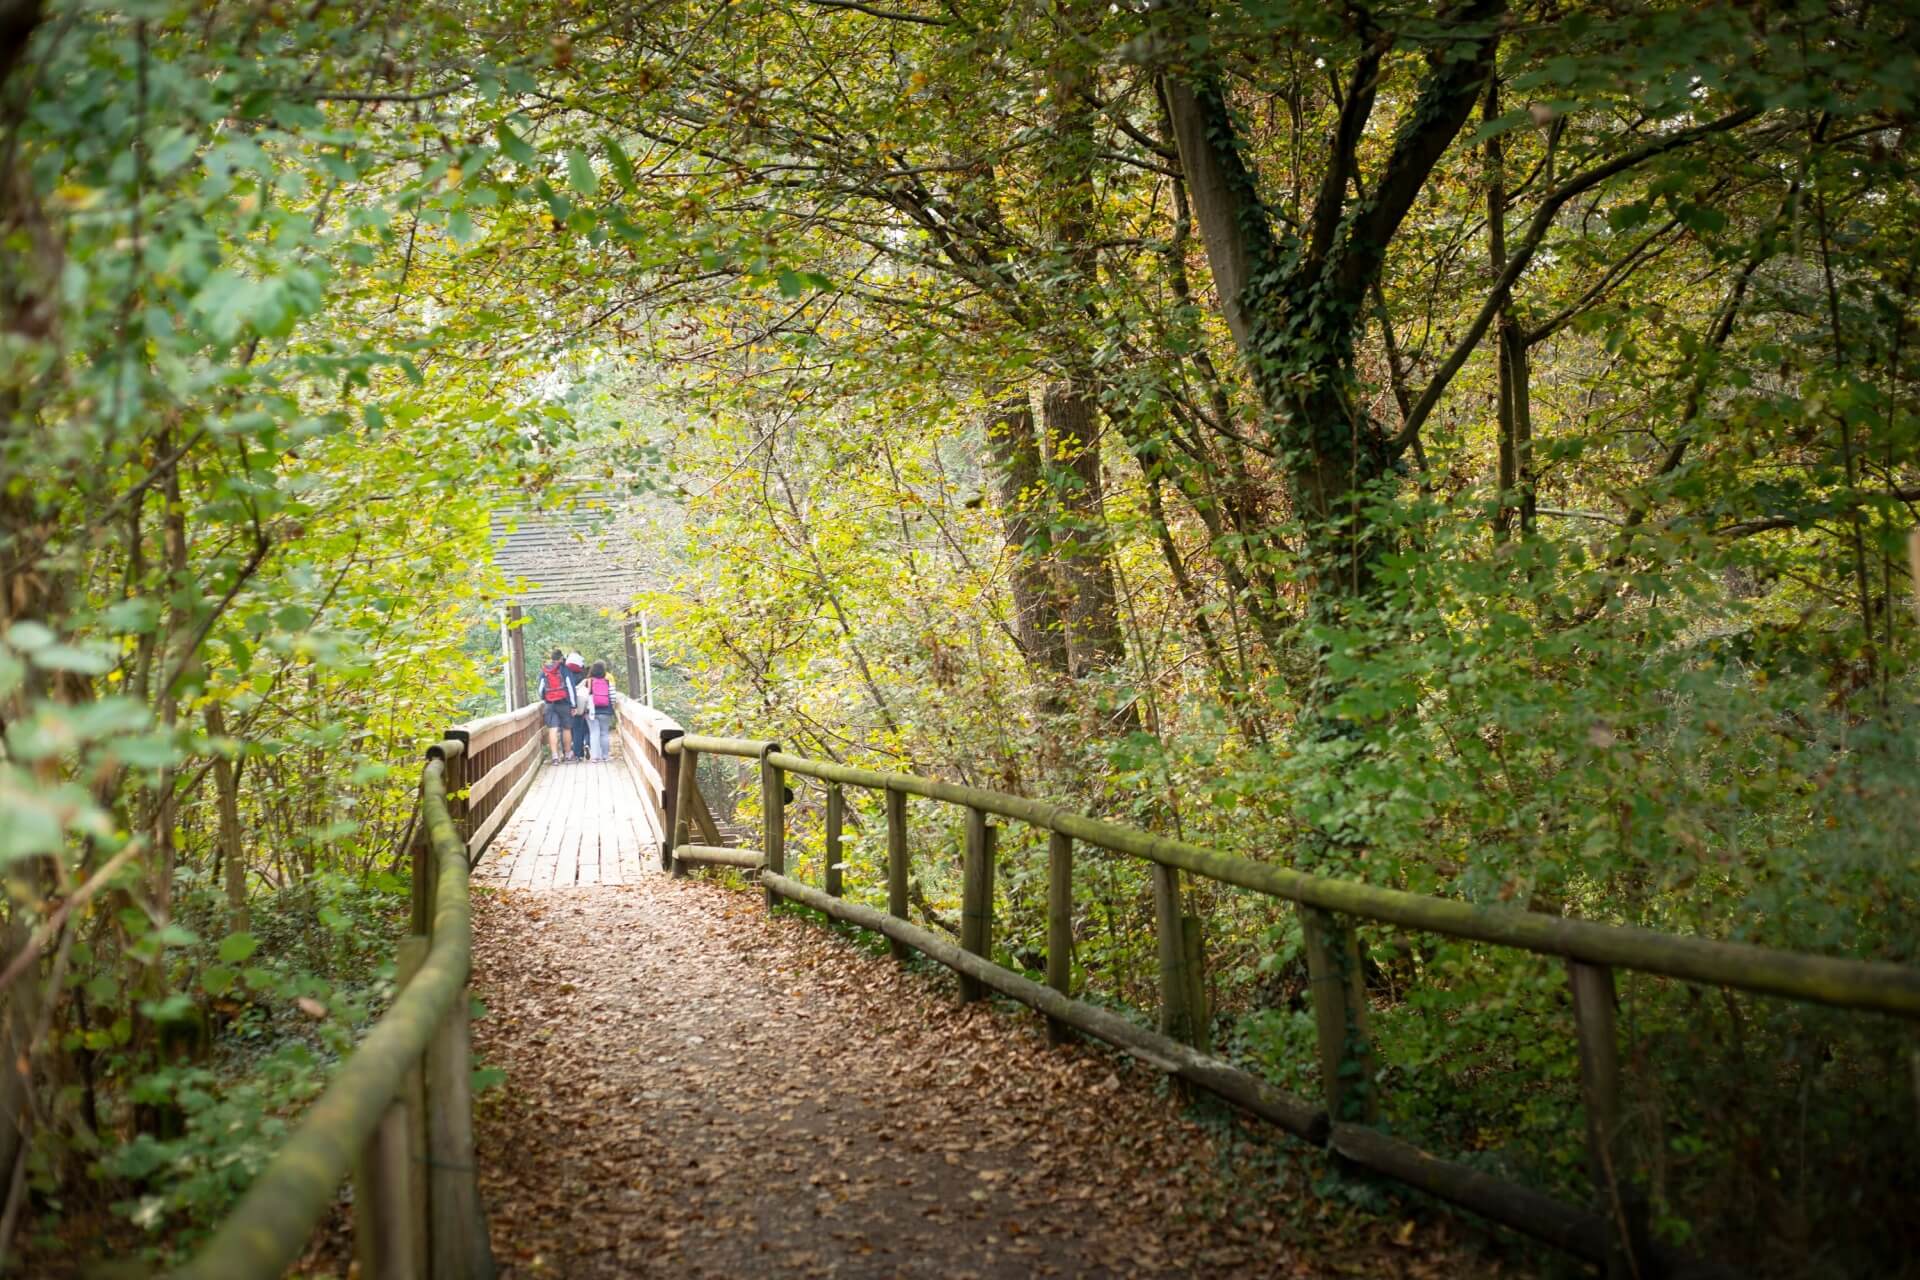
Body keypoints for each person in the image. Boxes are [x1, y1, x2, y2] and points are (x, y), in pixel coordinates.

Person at [537, 649, 572, 763]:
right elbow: (570, 688)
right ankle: (567, 755)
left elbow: (540, 689)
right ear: (561, 658)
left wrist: (545, 698)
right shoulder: (564, 670)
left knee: (553, 729)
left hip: (550, 704)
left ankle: (555, 757)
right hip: (564, 703)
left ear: (552, 658)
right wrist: (574, 704)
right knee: (566, 728)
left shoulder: (545, 670)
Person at [586, 661, 616, 762]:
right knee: (604, 733)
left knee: (594, 733)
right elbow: (612, 696)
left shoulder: (588, 681)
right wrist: (612, 706)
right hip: (606, 710)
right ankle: (605, 756)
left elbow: (583, 697)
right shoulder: (608, 681)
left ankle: (594, 757)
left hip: (591, 711)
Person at [565, 651, 590, 762]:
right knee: (578, 728)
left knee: (566, 729)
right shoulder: (582, 674)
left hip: (566, 704)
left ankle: (566, 753)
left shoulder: (564, 674)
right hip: (579, 704)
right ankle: (578, 754)